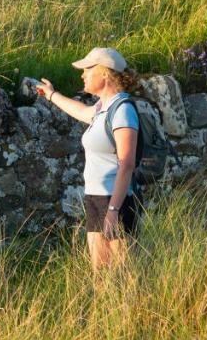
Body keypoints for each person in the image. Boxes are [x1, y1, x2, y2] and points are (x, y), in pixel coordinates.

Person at [35, 48, 140, 273]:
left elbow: (127, 164)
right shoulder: (103, 108)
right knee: (100, 277)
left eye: (87, 69)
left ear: (104, 73)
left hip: (115, 200)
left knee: (122, 278)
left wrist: (113, 210)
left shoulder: (122, 110)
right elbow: (80, 110)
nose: (82, 75)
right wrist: (52, 94)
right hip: (95, 198)